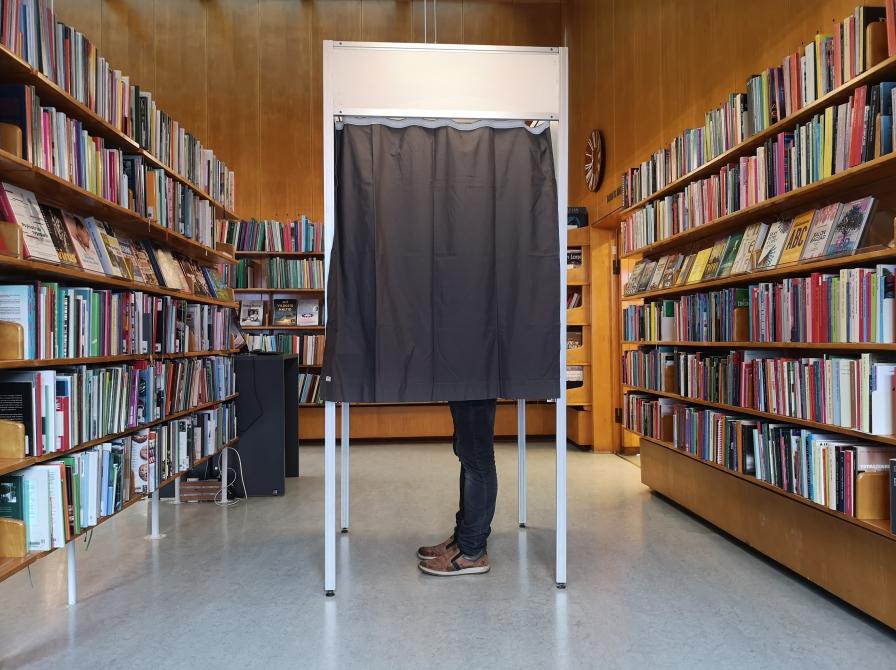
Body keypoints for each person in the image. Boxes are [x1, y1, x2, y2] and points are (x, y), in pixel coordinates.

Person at [417, 398, 497, 576]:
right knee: (468, 452)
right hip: (466, 377)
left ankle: (472, 552)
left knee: (477, 457)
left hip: (477, 379)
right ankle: (464, 538)